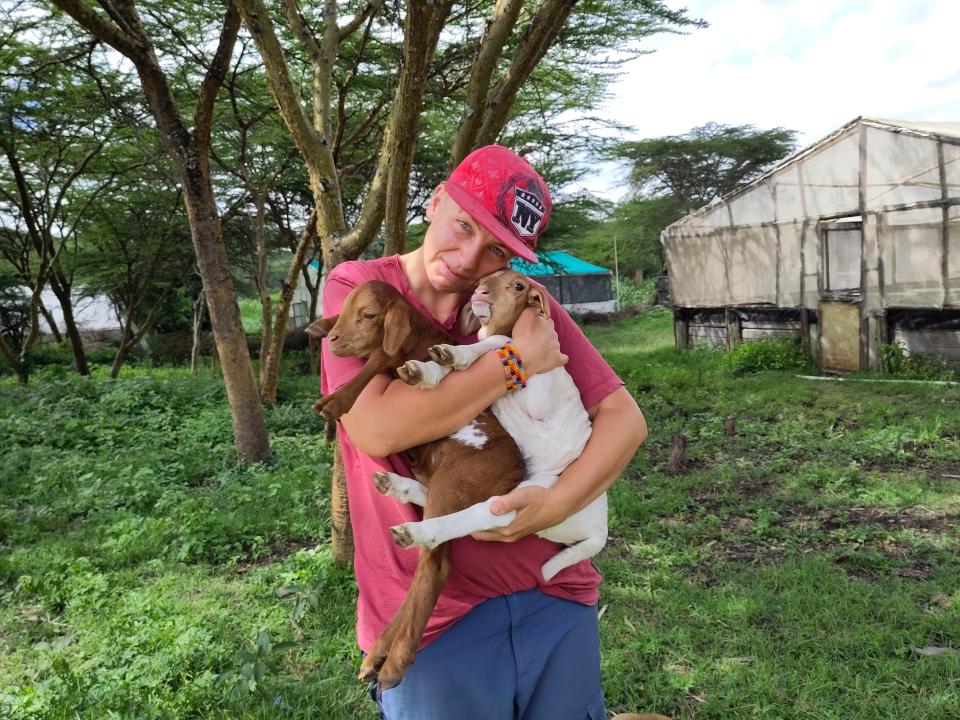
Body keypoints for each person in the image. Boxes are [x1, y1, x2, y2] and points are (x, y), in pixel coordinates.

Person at [319, 144, 648, 720]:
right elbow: (376, 428)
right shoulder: (363, 289)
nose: (471, 257)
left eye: (496, 248)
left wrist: (555, 506)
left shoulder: (522, 303)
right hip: (438, 619)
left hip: (555, 596)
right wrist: (515, 362)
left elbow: (625, 420)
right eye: (464, 225)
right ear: (435, 199)